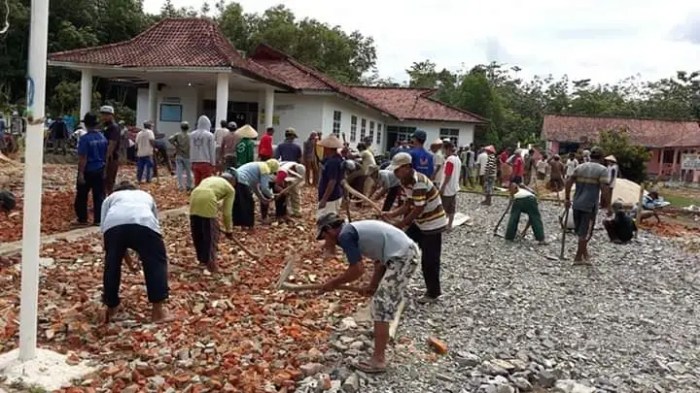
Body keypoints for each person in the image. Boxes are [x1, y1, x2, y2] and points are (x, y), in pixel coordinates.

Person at [316, 213, 421, 374]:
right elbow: (379, 261)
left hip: (403, 258)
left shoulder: (345, 235)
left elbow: (357, 270)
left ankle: (378, 360)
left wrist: (334, 283)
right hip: (402, 254)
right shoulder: (353, 230)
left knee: (381, 307)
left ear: (329, 229)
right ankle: (379, 347)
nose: (326, 241)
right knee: (380, 303)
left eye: (324, 236)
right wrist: (372, 285)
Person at [100, 181, 171, 323]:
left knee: (112, 265)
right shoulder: (145, 195)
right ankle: (158, 312)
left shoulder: (110, 198)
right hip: (145, 224)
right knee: (156, 263)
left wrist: (127, 260)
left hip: (114, 226)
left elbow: (110, 232)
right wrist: (140, 257)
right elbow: (153, 226)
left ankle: (111, 308)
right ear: (134, 189)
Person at [383, 152, 447, 304]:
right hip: (420, 223)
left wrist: (401, 223)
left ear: (407, 167)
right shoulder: (405, 182)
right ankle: (394, 282)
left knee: (429, 260)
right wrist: (391, 214)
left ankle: (433, 292)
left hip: (433, 223)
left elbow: (418, 208)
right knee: (402, 246)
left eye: (397, 170)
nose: (395, 173)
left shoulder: (419, 182)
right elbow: (407, 204)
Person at [565, 146, 610, 265]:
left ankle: (585, 255)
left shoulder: (580, 167)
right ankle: (578, 258)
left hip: (577, 203)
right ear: (601, 157)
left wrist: (567, 198)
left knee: (580, 231)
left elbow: (568, 182)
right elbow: (604, 189)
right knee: (586, 233)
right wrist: (609, 206)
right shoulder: (602, 170)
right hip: (589, 205)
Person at [189, 172, 236, 273]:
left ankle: (202, 261)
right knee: (210, 234)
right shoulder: (230, 189)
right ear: (232, 182)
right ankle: (210, 263)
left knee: (198, 232)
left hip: (194, 195)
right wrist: (229, 230)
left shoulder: (210, 179)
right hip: (208, 198)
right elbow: (227, 212)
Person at [74, 113, 108, 227]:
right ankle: (98, 219)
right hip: (100, 168)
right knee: (99, 195)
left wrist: (81, 174)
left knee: (82, 195)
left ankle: (82, 218)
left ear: (86, 125)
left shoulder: (85, 139)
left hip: (88, 170)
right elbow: (105, 154)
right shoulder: (102, 137)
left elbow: (83, 158)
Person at [233, 159, 279, 229]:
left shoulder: (259, 165)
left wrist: (262, 199)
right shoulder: (265, 168)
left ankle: (240, 224)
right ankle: (248, 225)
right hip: (242, 180)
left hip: (235, 179)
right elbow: (264, 188)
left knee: (240, 202)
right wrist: (272, 196)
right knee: (249, 203)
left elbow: (255, 188)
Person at [505, 180, 547, 244]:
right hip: (530, 200)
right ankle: (541, 239)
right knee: (535, 218)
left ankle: (509, 236)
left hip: (519, 200)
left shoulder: (521, 191)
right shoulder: (530, 195)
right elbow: (532, 219)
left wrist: (525, 230)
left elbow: (513, 188)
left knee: (513, 217)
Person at [317, 133, 345, 218]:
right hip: (332, 196)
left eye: (325, 148)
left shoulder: (333, 162)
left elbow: (332, 182)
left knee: (325, 221)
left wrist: (324, 200)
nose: (324, 149)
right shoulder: (332, 159)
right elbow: (321, 164)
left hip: (331, 198)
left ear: (328, 148)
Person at [439, 140, 461, 230]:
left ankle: (441, 225)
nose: (443, 152)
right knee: (451, 208)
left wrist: (443, 187)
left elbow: (448, 174)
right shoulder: (457, 159)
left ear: (448, 149)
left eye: (444, 149)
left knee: (443, 208)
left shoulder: (450, 160)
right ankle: (449, 225)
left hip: (447, 188)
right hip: (454, 187)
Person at [190, 115, 216, 187]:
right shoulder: (210, 135)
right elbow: (212, 151)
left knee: (197, 182)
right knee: (206, 183)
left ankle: (197, 196)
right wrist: (213, 164)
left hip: (195, 163)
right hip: (206, 162)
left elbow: (191, 149)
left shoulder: (192, 135)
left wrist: (191, 162)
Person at [100, 106, 121, 195]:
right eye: (103, 114)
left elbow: (112, 144)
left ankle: (109, 202)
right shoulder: (105, 127)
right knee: (102, 182)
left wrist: (106, 158)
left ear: (112, 115)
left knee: (108, 181)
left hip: (110, 158)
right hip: (103, 157)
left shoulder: (114, 127)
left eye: (107, 115)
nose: (104, 117)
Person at [169, 121, 193, 191]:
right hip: (188, 155)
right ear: (188, 128)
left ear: (181, 127)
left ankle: (180, 186)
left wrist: (175, 145)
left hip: (179, 155)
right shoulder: (190, 135)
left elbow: (170, 139)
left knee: (179, 172)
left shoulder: (177, 135)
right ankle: (189, 185)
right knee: (188, 171)